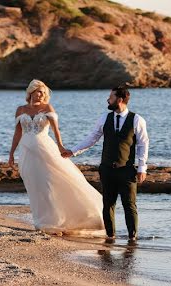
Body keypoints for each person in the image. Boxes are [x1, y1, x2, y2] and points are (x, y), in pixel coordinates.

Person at [7, 80, 105, 236]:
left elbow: (56, 130)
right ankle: (40, 221)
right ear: (30, 92)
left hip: (44, 148)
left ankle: (54, 221)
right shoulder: (20, 109)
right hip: (26, 150)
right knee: (34, 186)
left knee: (49, 183)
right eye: (38, 91)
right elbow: (17, 133)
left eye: (43, 92)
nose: (41, 94)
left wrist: (61, 147)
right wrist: (11, 153)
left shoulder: (47, 108)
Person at [63, 84, 150, 242]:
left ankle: (132, 238)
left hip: (127, 170)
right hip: (107, 169)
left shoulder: (137, 120)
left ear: (120, 99)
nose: (108, 100)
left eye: (111, 98)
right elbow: (92, 138)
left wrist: (142, 168)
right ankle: (110, 237)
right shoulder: (105, 118)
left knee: (129, 205)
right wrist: (73, 151)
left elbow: (143, 144)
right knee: (108, 203)